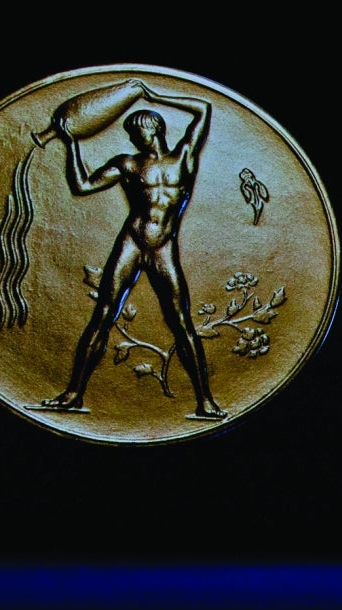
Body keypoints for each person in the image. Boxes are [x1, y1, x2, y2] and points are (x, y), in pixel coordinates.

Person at [41, 80, 226, 419]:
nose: (133, 138)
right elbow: (82, 186)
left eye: (138, 132)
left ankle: (206, 401)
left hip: (163, 247)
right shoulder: (127, 163)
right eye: (132, 134)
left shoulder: (183, 157)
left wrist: (155, 95)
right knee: (104, 314)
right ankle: (73, 393)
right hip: (131, 241)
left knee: (180, 320)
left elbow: (204, 108)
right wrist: (71, 146)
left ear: (155, 130)